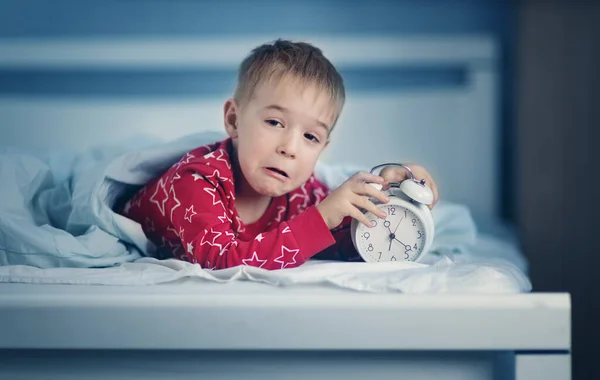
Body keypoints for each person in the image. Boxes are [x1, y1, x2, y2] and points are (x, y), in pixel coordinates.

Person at [120, 39, 438, 270]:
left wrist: (387, 200)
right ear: (234, 120)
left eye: (310, 136)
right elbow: (221, 262)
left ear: (322, 149)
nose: (289, 148)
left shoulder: (302, 192)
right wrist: (323, 216)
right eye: (274, 122)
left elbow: (342, 245)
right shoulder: (196, 183)